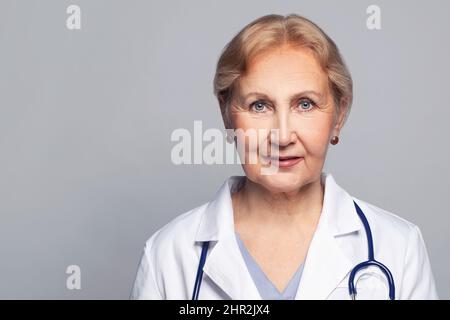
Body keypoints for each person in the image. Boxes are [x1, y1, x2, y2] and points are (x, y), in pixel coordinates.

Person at [130, 14, 438, 300]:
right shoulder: (169, 255)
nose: (282, 136)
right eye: (259, 106)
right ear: (226, 115)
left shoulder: (399, 248)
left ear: (339, 114)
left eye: (305, 104)